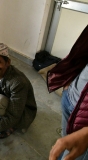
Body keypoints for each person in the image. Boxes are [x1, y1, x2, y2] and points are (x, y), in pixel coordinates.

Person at [47, 25, 88, 160]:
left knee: (73, 154)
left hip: (85, 123)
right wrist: (69, 83)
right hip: (70, 98)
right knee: (65, 143)